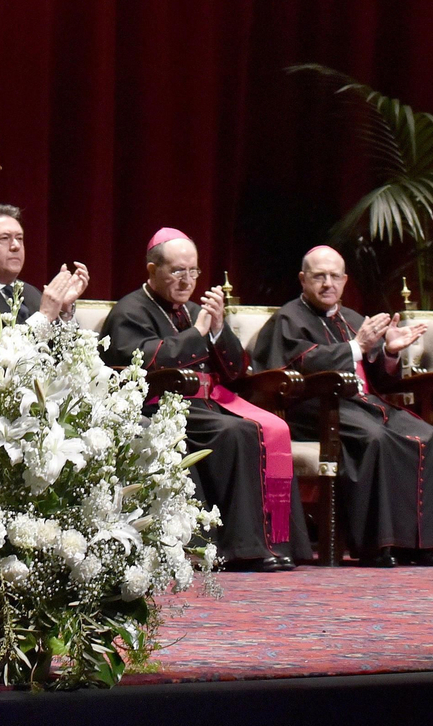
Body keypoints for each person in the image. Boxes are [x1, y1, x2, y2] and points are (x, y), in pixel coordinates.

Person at [100, 227, 312, 571]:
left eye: (193, 271)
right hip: (161, 408)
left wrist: (216, 329)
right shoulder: (130, 310)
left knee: (267, 429)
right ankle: (242, 547)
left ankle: (274, 542)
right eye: (177, 271)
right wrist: (197, 333)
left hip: (204, 407)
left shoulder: (192, 310)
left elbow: (235, 370)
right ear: (152, 270)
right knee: (238, 432)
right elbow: (144, 362)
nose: (187, 281)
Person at [251, 246, 433, 566]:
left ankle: (421, 544)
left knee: (429, 436)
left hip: (364, 406)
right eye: (319, 276)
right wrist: (355, 347)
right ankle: (377, 545)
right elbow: (298, 368)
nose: (327, 283)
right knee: (375, 438)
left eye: (335, 276)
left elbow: (379, 379)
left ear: (345, 281)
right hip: (316, 408)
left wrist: (389, 352)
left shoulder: (354, 319)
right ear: (303, 280)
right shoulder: (288, 319)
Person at [0, 204, 90, 322]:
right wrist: (45, 315)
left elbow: (56, 340)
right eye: (5, 238)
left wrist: (63, 309)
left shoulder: (31, 293)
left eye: (19, 238)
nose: (16, 246)